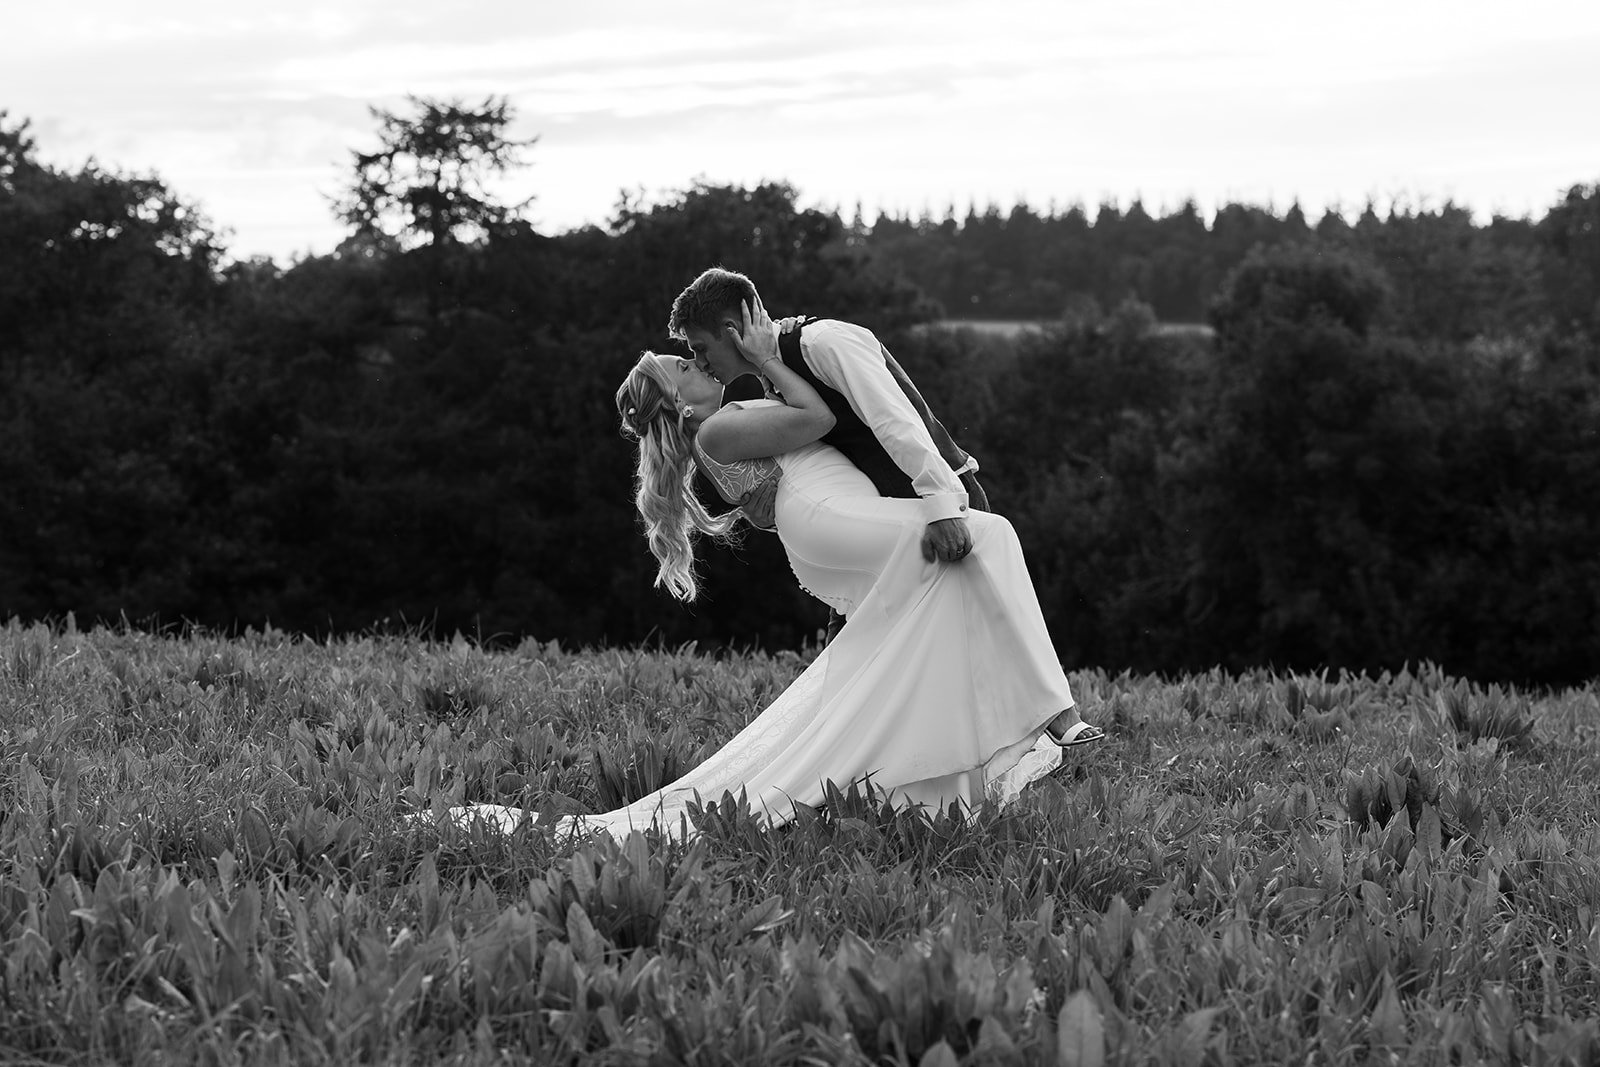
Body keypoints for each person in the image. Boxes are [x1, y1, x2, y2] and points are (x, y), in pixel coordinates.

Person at [448, 297, 1103, 839]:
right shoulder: (718, 429)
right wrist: (767, 358)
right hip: (819, 509)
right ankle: (1049, 714)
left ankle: (957, 770)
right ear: (678, 397)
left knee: (944, 588)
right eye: (685, 363)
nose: (696, 361)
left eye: (695, 351)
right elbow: (815, 417)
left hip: (825, 504)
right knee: (985, 541)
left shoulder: (729, 419)